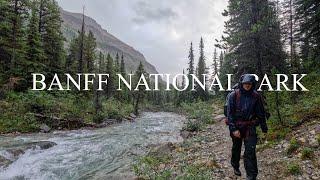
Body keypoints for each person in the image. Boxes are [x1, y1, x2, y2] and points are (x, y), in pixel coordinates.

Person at [227, 74, 268, 180]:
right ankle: (235, 166)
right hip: (236, 126)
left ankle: (251, 176)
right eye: (245, 83)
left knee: (250, 151)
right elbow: (230, 114)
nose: (247, 85)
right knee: (237, 148)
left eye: (249, 83)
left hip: (250, 127)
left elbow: (261, 113)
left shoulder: (256, 96)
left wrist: (264, 128)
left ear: (252, 84)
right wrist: (233, 129)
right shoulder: (233, 95)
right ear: (242, 83)